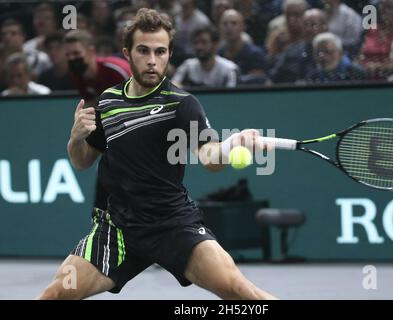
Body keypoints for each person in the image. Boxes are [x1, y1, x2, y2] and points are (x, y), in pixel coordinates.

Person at [37, 8, 276, 300]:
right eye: (143, 51)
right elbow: (82, 160)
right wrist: (76, 138)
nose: (152, 61)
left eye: (160, 52)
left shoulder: (181, 104)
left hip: (173, 224)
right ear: (127, 53)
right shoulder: (108, 103)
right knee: (54, 295)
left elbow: (210, 158)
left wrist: (231, 144)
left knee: (240, 291)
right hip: (117, 230)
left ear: (169, 53)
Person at [64, 29, 132, 211]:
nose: (72, 58)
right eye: (68, 55)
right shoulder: (78, 75)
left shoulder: (115, 71)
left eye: (77, 53)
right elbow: (93, 106)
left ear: (91, 51)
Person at [172, 26, 239, 88]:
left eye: (204, 42)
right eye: (196, 43)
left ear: (215, 44)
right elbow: (173, 86)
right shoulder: (188, 66)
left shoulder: (229, 69)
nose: (199, 47)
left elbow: (232, 96)